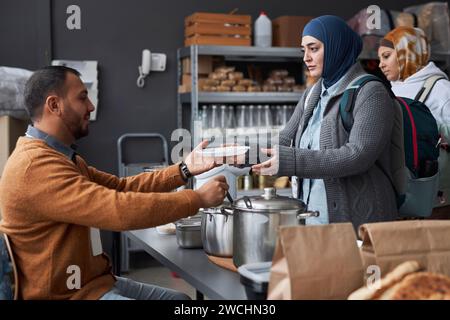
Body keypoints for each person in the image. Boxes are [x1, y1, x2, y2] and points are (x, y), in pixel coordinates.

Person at [0, 66, 229, 300]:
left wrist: (184, 169)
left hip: (93, 284)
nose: (90, 106)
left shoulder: (61, 158)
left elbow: (120, 188)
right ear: (54, 105)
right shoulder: (35, 167)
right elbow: (118, 209)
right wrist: (197, 199)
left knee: (179, 300)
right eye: (82, 97)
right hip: (69, 296)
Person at [252, 15, 398, 230]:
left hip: (360, 223)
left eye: (314, 49)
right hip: (313, 221)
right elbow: (284, 140)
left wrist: (291, 162)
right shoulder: (313, 93)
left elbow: (358, 156)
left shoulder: (371, 92)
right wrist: (242, 154)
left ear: (337, 47)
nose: (306, 58)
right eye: (304, 51)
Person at [378, 26, 450, 212]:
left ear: (407, 52)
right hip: (397, 195)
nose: (381, 64)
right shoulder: (392, 90)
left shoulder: (442, 90)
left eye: (386, 56)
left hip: (437, 201)